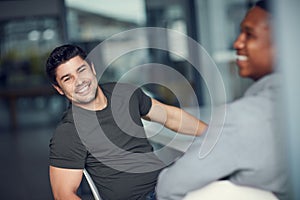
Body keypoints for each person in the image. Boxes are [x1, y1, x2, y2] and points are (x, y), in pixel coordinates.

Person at [156, 0, 288, 200]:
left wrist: (218, 134)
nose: (237, 43)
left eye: (249, 34)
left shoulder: (243, 118)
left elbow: (169, 188)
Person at [45, 44, 207, 200]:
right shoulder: (68, 132)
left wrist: (212, 132)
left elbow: (169, 116)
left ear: (92, 69)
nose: (79, 81)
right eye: (68, 78)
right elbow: (63, 195)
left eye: (81, 70)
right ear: (59, 89)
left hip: (167, 185)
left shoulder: (124, 93)